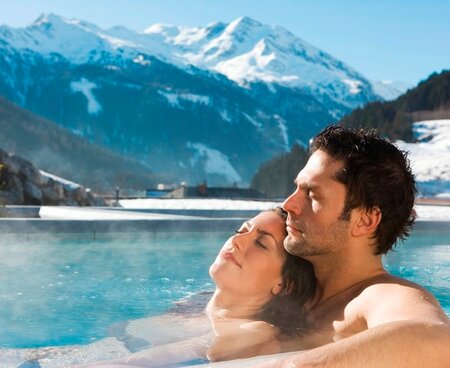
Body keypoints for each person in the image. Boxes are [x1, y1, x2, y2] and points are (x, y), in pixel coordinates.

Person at [256, 124, 450, 367]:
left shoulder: (380, 296)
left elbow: (437, 340)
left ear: (364, 221)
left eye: (313, 195)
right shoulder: (292, 289)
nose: (288, 204)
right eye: (296, 188)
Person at [76, 208, 316, 367]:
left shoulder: (253, 330)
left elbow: (135, 363)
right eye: (241, 230)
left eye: (262, 243)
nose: (237, 240)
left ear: (283, 285)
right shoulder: (197, 302)